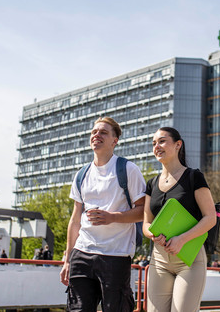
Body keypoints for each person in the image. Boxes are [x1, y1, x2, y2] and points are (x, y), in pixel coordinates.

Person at [60, 117, 146, 312]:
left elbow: (143, 212)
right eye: (94, 132)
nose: (96, 135)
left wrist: (113, 217)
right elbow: (75, 220)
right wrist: (67, 259)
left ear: (115, 141)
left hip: (115, 255)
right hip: (82, 253)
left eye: (103, 132)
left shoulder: (128, 169)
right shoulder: (82, 174)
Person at [143, 127, 216, 312]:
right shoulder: (151, 183)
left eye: (161, 141)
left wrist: (182, 239)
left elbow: (210, 218)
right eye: (153, 143)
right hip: (158, 259)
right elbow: (146, 223)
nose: (156, 146)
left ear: (178, 145)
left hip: (189, 260)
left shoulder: (194, 177)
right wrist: (153, 235)